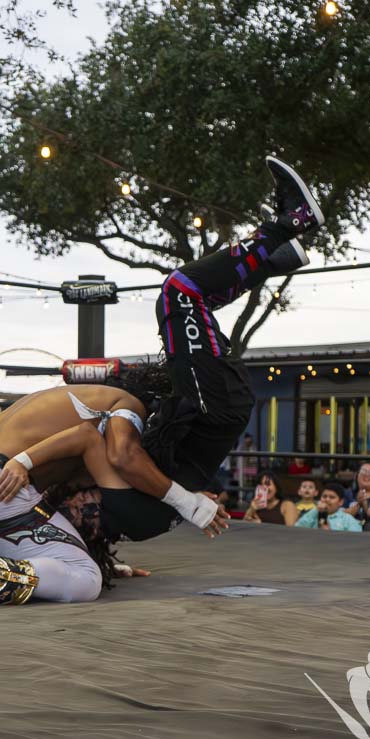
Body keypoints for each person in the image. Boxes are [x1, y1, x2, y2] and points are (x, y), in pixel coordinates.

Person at [0, 376, 232, 613]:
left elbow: (61, 495)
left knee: (68, 562)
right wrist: (191, 503)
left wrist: (102, 558)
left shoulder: (81, 399)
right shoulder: (126, 406)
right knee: (85, 580)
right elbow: (117, 453)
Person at [141, 157, 325, 493]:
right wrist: (26, 461)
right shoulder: (114, 451)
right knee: (179, 290)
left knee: (195, 296)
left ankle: (269, 261)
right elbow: (106, 450)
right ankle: (290, 223)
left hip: (213, 410)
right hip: (211, 409)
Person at [295, 482, 361, 532]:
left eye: (332, 497)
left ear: (341, 502)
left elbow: (356, 540)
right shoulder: (314, 513)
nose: (327, 499)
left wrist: (330, 534)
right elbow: (296, 529)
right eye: (324, 496)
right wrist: (316, 510)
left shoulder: (348, 519)